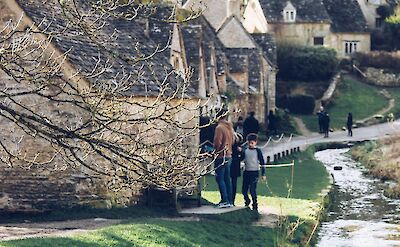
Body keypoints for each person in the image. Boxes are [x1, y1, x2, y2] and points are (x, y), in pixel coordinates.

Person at [213, 108, 235, 208]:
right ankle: (230, 200)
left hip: (221, 155)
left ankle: (224, 200)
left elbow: (217, 142)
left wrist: (215, 150)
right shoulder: (229, 127)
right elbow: (233, 140)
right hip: (229, 155)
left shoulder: (219, 128)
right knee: (227, 179)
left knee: (220, 178)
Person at [240, 133, 266, 211]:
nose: (250, 144)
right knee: (244, 190)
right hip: (246, 172)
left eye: (252, 143)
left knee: (252, 189)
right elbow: (241, 158)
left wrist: (263, 174)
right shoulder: (245, 150)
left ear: (255, 142)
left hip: (254, 172)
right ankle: (247, 200)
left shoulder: (258, 151)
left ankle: (255, 205)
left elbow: (262, 162)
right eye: (249, 143)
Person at [230, 132, 243, 206]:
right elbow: (242, 155)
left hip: (233, 165)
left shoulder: (234, 147)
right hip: (235, 165)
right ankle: (231, 200)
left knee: (232, 183)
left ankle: (230, 200)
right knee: (233, 183)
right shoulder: (238, 147)